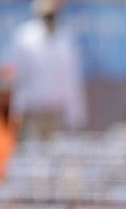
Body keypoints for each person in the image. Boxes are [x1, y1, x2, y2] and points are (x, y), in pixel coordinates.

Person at [2, 0, 87, 142]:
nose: (50, 17)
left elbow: (71, 80)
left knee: (52, 158)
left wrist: (75, 114)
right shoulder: (24, 38)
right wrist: (13, 110)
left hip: (55, 114)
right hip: (30, 111)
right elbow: (12, 74)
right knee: (29, 157)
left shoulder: (65, 40)